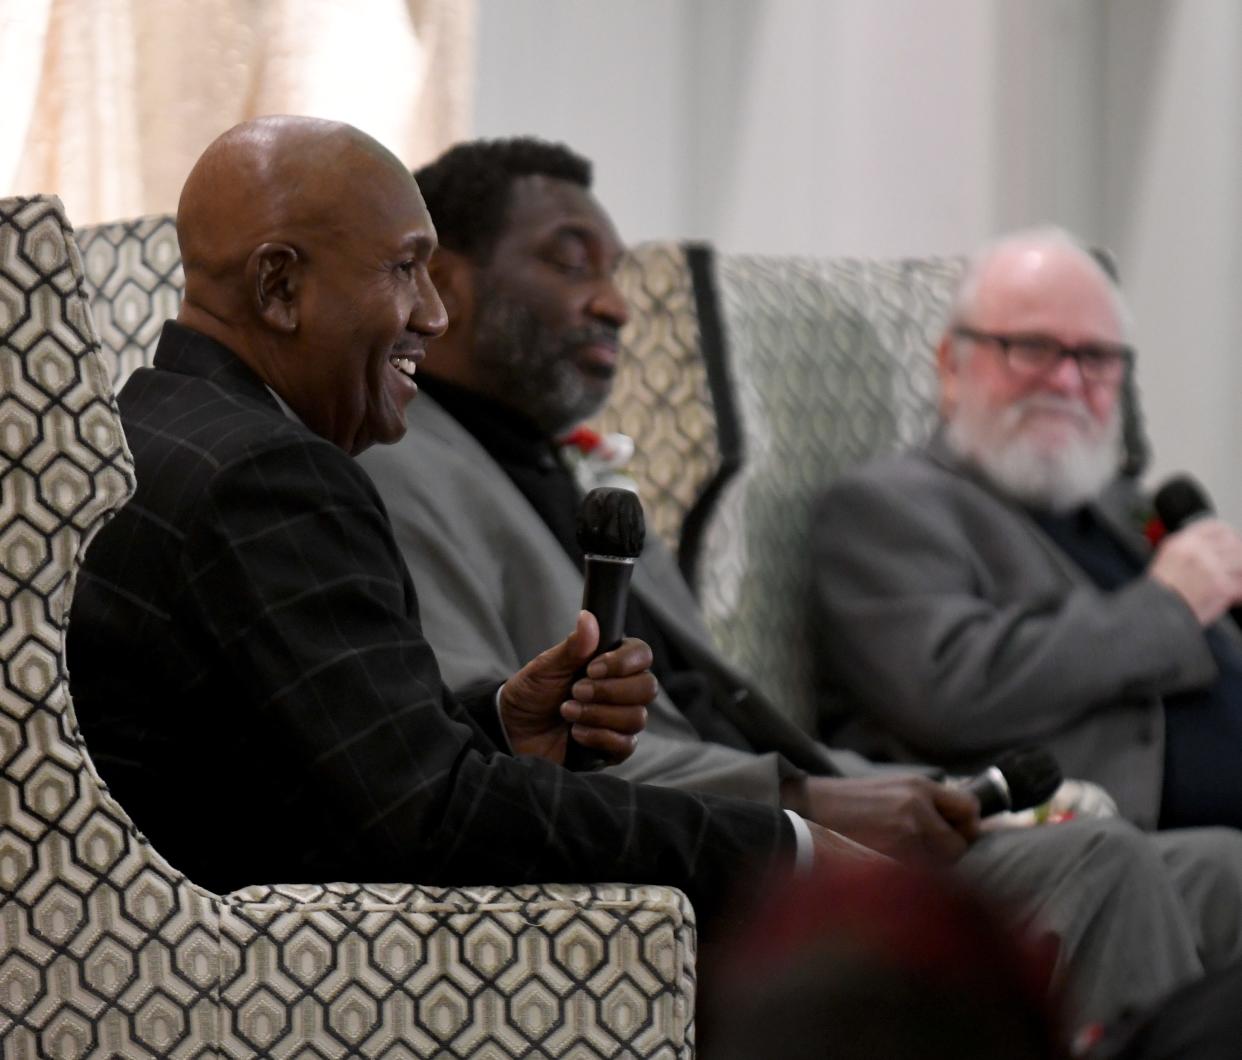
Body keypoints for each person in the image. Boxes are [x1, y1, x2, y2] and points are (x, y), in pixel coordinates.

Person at [356, 137, 1242, 1027]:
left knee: (1220, 874)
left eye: (618, 271)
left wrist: (925, 794)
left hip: (778, 806)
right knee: (1100, 865)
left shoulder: (575, 476)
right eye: (571, 261)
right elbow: (478, 749)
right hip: (687, 852)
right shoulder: (399, 467)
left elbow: (706, 705)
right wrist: (803, 801)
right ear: (447, 282)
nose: (617, 305)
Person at [66, 116, 872, 932]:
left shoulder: (156, 425)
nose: (434, 316)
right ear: (280, 288)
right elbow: (432, 818)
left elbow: (309, 758)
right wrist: (785, 851)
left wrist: (499, 723)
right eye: (406, 269)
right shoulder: (270, 475)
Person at [810, 225, 1242, 835]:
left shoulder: (1123, 507)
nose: (1067, 382)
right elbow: (947, 692)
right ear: (951, 365)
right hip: (1084, 847)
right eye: (1033, 348)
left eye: (1094, 357)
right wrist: (1166, 608)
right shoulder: (884, 508)